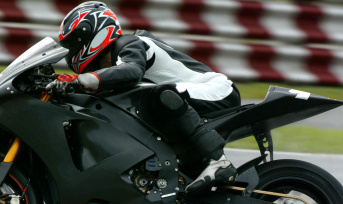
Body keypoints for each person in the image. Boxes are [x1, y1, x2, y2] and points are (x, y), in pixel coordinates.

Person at [46, 1, 241, 193]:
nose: (71, 52)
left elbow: (131, 71)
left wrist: (80, 80)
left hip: (217, 90)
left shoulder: (130, 43)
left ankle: (218, 160)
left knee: (159, 94)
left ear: (93, 33)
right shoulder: (110, 68)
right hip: (188, 102)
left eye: (74, 43)